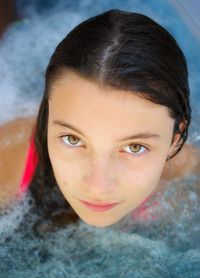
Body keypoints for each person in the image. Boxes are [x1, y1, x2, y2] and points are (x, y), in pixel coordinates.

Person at [0, 9, 199, 228]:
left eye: (134, 147)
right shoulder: (10, 160)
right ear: (47, 119)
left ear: (175, 141)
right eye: (72, 139)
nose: (98, 187)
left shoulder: (187, 177)